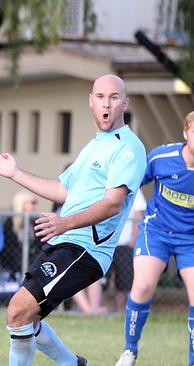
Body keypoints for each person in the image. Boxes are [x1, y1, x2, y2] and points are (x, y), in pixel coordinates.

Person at [0, 74, 146, 366]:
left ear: (124, 103)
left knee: (18, 309)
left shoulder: (128, 148)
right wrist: (14, 173)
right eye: (100, 97)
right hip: (63, 242)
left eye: (114, 97)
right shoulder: (94, 146)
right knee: (25, 317)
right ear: (91, 102)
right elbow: (61, 190)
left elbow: (112, 204)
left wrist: (64, 223)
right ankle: (73, 364)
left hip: (85, 248)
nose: (106, 103)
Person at [115, 111, 194, 366]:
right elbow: (133, 181)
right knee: (143, 286)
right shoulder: (162, 157)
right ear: (185, 133)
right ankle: (129, 351)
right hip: (156, 231)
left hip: (190, 239)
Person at [108, 191, 146, 313]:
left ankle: (119, 312)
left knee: (124, 285)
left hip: (124, 244)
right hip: (106, 244)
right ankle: (96, 311)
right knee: (99, 282)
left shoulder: (134, 187)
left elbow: (138, 213)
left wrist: (133, 240)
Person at [1, 190, 41, 280]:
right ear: (22, 204)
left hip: (31, 261)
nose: (35, 206)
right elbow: (9, 249)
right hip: (14, 262)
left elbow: (39, 244)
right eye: (32, 203)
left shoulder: (34, 222)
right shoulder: (10, 224)